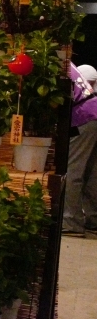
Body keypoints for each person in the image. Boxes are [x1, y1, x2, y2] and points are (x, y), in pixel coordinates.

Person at [63, 63, 97, 238]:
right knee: (92, 173)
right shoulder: (67, 64)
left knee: (72, 170)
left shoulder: (57, 65)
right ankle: (93, 220)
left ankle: (71, 222)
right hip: (94, 112)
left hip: (83, 116)